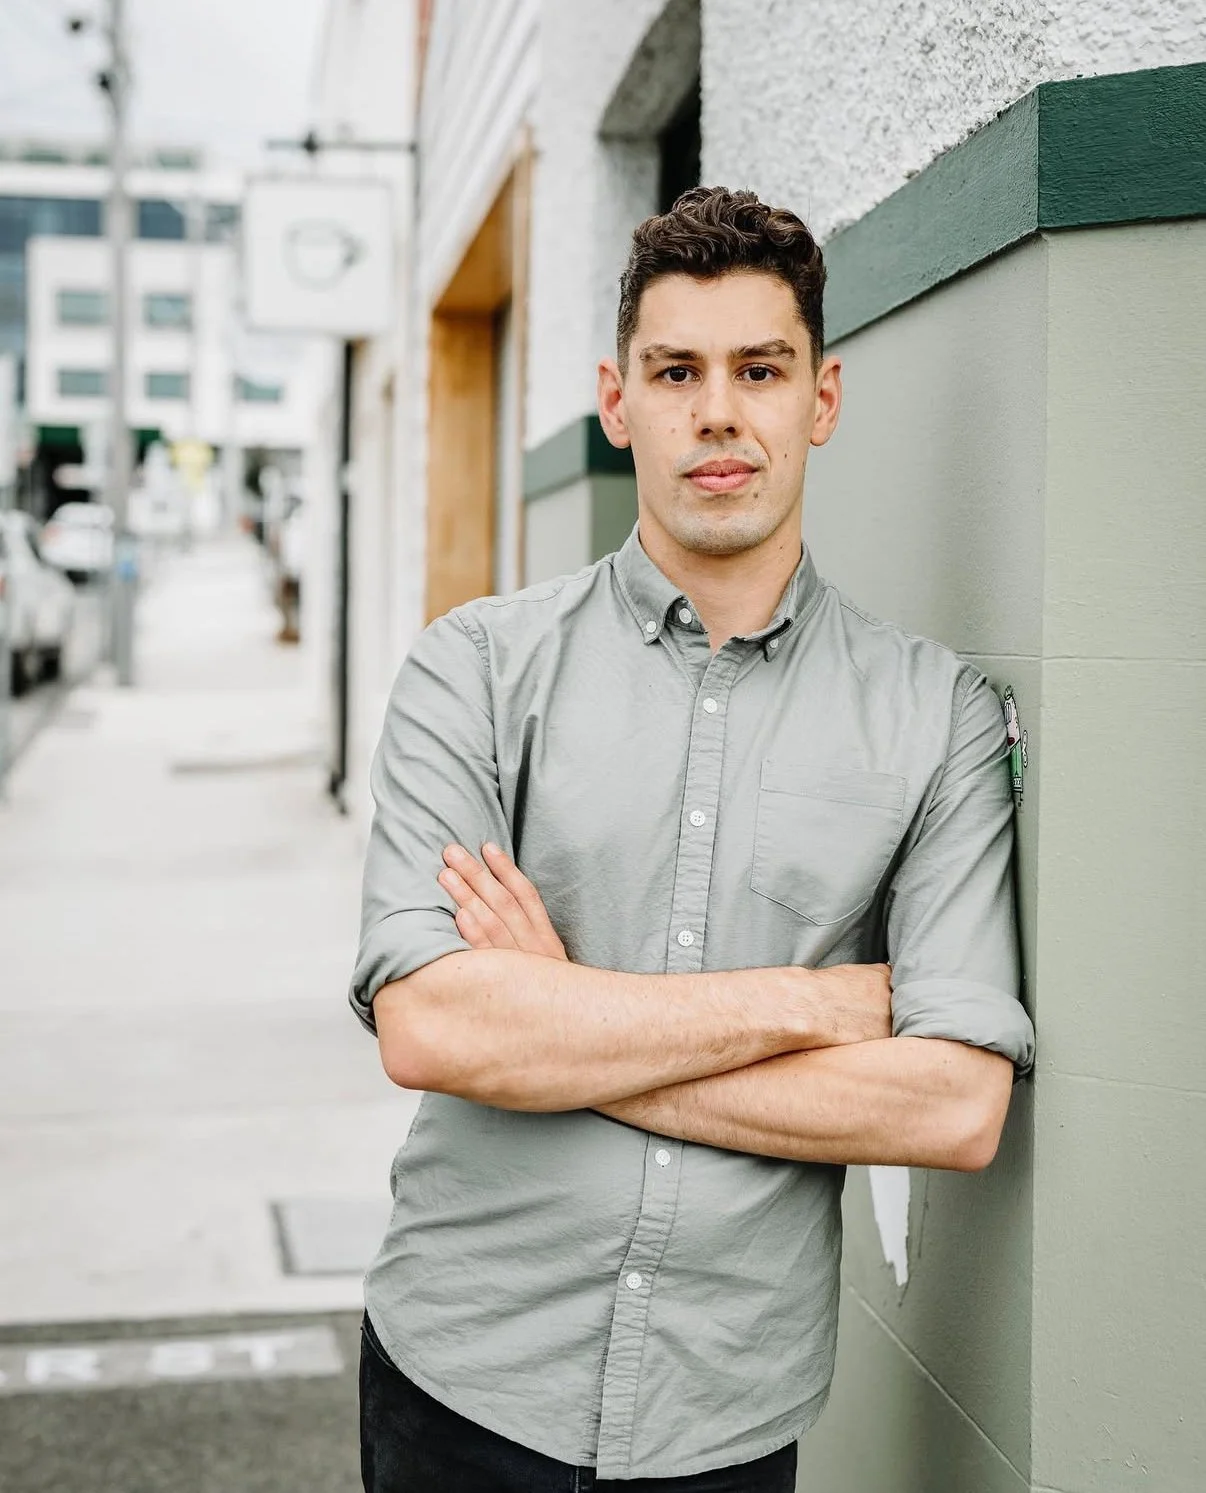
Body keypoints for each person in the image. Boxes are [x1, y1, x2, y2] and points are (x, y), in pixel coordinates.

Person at [349, 185, 1036, 1492]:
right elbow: (433, 1030)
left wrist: (556, 1018)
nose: (716, 411)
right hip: (464, 1380)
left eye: (757, 369)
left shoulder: (930, 715)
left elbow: (951, 1104)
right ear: (617, 401)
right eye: (674, 371)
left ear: (819, 399)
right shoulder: (475, 669)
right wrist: (815, 1004)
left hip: (726, 1412)